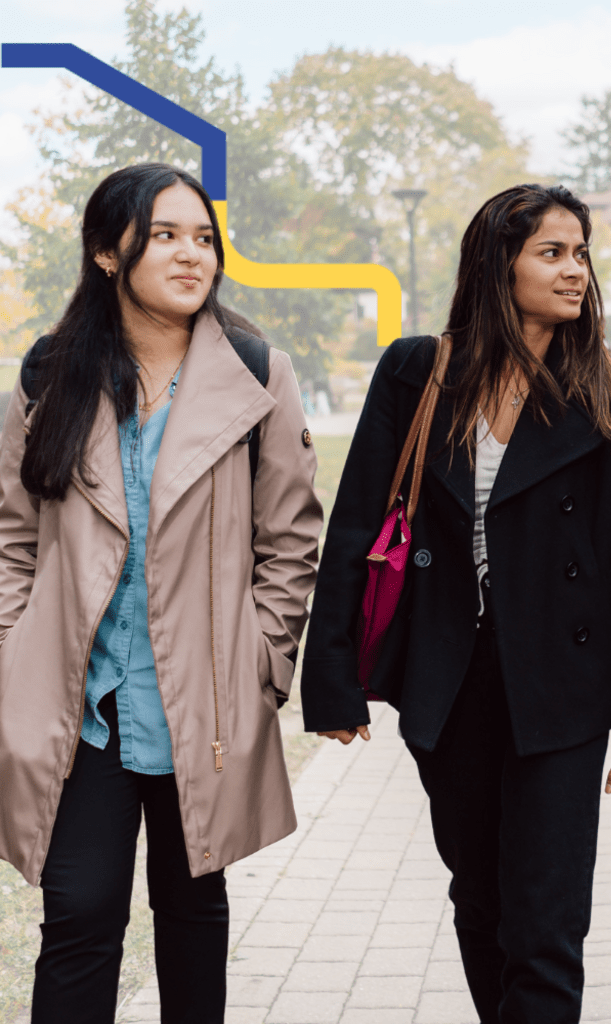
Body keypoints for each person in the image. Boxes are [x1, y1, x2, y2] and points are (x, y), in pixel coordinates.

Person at [301, 183, 611, 1024]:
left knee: (546, 927)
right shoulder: (417, 372)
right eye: (552, 252)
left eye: (581, 253)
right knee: (480, 903)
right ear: (496, 265)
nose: (575, 270)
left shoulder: (607, 400)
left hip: (564, 690)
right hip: (450, 679)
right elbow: (359, 519)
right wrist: (331, 676)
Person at [0, 163, 322, 1024]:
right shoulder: (47, 376)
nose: (192, 256)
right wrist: (13, 655)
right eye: (166, 235)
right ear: (108, 253)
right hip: (84, 713)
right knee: (77, 917)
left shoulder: (258, 371)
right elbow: (11, 538)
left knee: (192, 917)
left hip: (204, 707)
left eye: (204, 238)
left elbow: (289, 540)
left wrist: (264, 662)